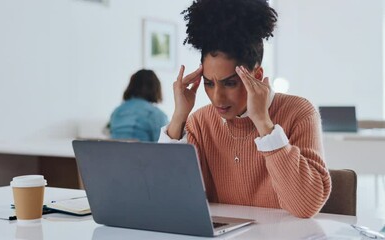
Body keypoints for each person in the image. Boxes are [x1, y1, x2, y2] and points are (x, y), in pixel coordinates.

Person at [159, 0, 331, 218]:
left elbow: (305, 206)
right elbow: (168, 199)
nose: (217, 97)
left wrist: (263, 123)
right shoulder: (200, 123)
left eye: (230, 83)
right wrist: (179, 118)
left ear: (256, 76)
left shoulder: (299, 113)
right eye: (209, 83)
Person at [109, 69, 168, 142]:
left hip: (112, 152)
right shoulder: (156, 114)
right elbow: (164, 145)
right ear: (155, 88)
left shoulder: (117, 111)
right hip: (141, 152)